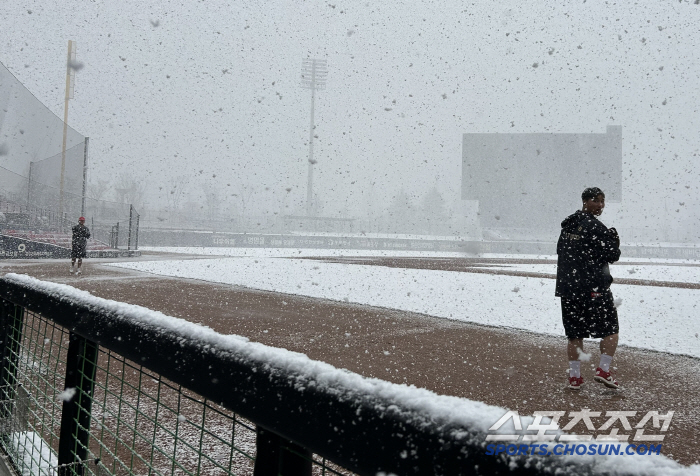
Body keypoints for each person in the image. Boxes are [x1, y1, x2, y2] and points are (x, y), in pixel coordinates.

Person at [555, 187, 621, 390]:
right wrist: (614, 241)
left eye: (602, 201)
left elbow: (560, 250)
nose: (600, 205)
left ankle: (575, 377)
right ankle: (603, 370)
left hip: (568, 288)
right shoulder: (596, 227)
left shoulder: (568, 225)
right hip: (593, 288)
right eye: (597, 201)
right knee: (611, 330)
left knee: (575, 334)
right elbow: (612, 255)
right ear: (585, 201)